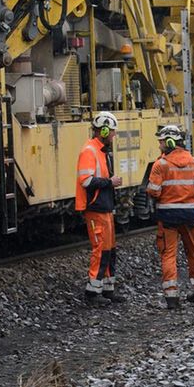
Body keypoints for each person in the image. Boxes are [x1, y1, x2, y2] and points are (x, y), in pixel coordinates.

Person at [146, 124, 194, 309]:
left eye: (161, 142)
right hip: (190, 215)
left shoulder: (161, 164)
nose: (159, 146)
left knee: (168, 255)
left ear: (169, 142)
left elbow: (153, 191)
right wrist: (191, 193)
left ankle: (172, 298)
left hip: (168, 217)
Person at [76, 111, 123, 306]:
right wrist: (110, 182)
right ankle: (92, 292)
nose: (113, 135)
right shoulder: (90, 151)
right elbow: (86, 181)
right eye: (112, 132)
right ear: (103, 130)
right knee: (100, 249)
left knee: (109, 249)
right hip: (96, 207)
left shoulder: (101, 151)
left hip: (104, 207)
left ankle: (107, 288)